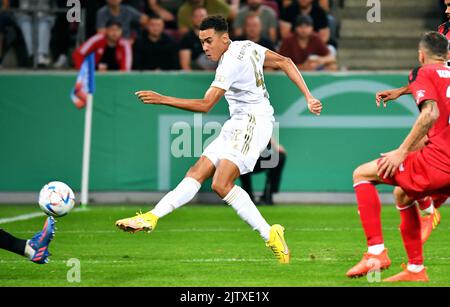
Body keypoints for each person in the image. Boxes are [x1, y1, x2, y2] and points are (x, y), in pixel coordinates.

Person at [116, 15, 323, 264]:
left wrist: (163, 99)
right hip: (236, 122)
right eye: (202, 41)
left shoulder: (229, 64)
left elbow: (205, 105)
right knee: (197, 171)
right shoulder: (247, 45)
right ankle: (151, 217)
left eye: (209, 41)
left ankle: (270, 234)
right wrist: (308, 96)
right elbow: (285, 61)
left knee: (220, 183)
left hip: (253, 122)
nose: (205, 47)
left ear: (224, 38)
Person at [347, 31, 450, 282]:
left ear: (420, 55)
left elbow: (430, 114)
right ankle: (415, 269)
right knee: (401, 194)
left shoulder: (421, 72)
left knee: (362, 174)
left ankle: (376, 252)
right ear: (448, 55)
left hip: (440, 164)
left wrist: (401, 152)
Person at [374, 0, 450, 242]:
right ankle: (429, 210)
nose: (447, 10)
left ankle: (428, 208)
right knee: (428, 146)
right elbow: (439, 73)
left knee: (419, 150)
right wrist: (401, 90)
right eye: (446, 4)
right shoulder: (444, 31)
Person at [240, 138, 287, 205]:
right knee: (241, 160)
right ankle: (246, 197)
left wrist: (275, 145)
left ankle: (267, 196)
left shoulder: (262, 129)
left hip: (257, 159)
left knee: (279, 157)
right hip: (240, 157)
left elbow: (267, 134)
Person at [14, 0, 55, 67]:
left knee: (44, 24)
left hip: (43, 15)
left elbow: (46, 6)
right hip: (25, 16)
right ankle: (32, 56)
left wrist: (38, 12)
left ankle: (41, 55)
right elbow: (23, 6)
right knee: (26, 25)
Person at [179, 6, 217, 70]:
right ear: (192, 19)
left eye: (202, 16)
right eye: (196, 16)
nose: (199, 19)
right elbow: (185, 66)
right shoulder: (186, 38)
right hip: (195, 75)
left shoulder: (217, 37)